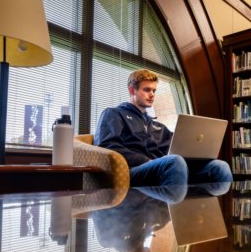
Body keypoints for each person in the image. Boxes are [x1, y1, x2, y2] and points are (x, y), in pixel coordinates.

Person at [94, 69, 233, 187]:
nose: (152, 95)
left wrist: (199, 153)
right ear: (132, 90)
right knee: (174, 162)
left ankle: (220, 214)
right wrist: (148, 161)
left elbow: (176, 148)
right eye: (147, 90)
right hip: (133, 170)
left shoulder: (157, 126)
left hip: (166, 169)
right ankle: (176, 213)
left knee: (219, 167)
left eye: (154, 90)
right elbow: (107, 146)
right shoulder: (114, 114)